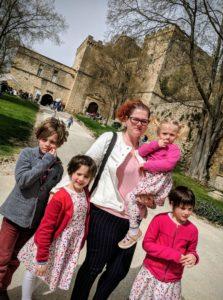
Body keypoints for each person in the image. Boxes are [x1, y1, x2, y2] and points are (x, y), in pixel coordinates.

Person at [54, 99, 154, 300]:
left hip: (132, 221)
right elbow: (84, 164)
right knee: (93, 266)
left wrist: (151, 200)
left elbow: (150, 186)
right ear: (126, 119)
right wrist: (59, 191)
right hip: (105, 214)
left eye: (145, 121)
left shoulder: (148, 151)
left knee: (118, 271)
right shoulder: (111, 139)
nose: (140, 124)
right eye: (136, 119)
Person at [0, 117, 68, 300]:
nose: (47, 144)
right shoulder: (27, 154)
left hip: (32, 221)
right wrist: (45, 161)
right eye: (44, 139)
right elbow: (23, 181)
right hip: (14, 215)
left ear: (59, 143)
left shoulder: (58, 168)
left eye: (52, 141)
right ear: (38, 137)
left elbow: (48, 195)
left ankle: (2, 288)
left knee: (14, 260)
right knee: (2, 259)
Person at [19, 155, 97, 299]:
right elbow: (46, 227)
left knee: (44, 273)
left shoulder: (85, 193)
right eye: (78, 174)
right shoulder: (60, 197)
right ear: (71, 172)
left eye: (86, 176)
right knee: (34, 271)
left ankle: (29, 294)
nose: (81, 179)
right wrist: (41, 257)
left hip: (63, 245)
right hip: (49, 243)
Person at [118, 119, 181, 249]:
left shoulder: (174, 149)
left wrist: (147, 165)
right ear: (159, 133)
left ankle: (134, 230)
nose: (168, 137)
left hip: (158, 178)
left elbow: (169, 164)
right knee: (138, 199)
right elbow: (141, 152)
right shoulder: (155, 144)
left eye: (172, 135)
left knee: (131, 197)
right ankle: (142, 209)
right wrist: (156, 145)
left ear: (176, 136)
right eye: (164, 134)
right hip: (149, 177)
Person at [129, 186, 199, 300]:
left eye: (190, 209)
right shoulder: (159, 220)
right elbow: (147, 244)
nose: (186, 212)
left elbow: (192, 251)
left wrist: (193, 257)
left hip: (172, 279)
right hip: (150, 273)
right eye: (182, 208)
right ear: (172, 204)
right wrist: (173, 254)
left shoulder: (193, 230)